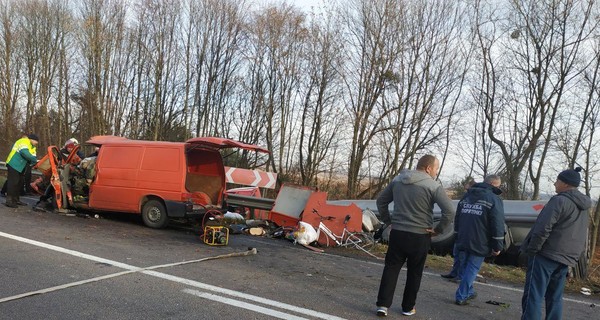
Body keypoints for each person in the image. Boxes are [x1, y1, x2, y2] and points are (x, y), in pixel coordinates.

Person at [375, 154, 455, 317]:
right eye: (436, 168)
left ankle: (383, 305)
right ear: (428, 168)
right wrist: (438, 230)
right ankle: (407, 307)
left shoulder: (398, 180)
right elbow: (450, 211)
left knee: (391, 269)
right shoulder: (433, 186)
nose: (436, 172)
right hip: (420, 235)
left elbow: (381, 201)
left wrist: (388, 221)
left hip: (398, 233)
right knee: (414, 272)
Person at [520, 167, 590, 320]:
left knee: (534, 294)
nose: (554, 184)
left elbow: (542, 228)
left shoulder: (559, 200)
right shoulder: (584, 206)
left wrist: (533, 249)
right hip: (567, 256)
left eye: (557, 181)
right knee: (555, 297)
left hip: (547, 254)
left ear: (565, 184)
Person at [454, 175, 505, 305]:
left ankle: (469, 291)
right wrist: (498, 245)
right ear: (494, 184)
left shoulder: (467, 196)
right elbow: (497, 224)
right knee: (472, 268)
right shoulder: (494, 199)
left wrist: (457, 234)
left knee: (465, 266)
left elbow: (458, 217)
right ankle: (462, 295)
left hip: (464, 237)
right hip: (481, 240)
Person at [441, 177, 477, 282]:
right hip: (461, 229)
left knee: (462, 255)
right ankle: (454, 273)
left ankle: (460, 276)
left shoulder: (472, 198)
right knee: (457, 253)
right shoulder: (467, 197)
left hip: (466, 230)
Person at [4, 134, 39, 207]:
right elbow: (24, 152)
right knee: (13, 182)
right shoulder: (24, 141)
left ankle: (16, 200)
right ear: (32, 139)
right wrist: (34, 160)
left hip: (21, 166)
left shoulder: (33, 147)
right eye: (36, 141)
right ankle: (9, 200)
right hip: (13, 164)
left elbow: (33, 156)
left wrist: (33, 161)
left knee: (19, 182)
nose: (37, 143)